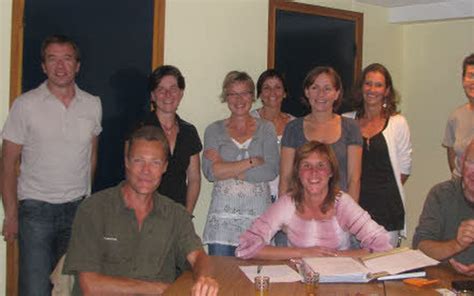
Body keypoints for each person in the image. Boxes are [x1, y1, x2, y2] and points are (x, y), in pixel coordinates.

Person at [1, 34, 102, 296]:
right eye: (52, 59)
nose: (60, 66)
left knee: (72, 290)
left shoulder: (92, 104)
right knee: (35, 290)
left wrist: (85, 198)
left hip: (78, 212)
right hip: (36, 212)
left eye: (67, 59)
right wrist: (11, 215)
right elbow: (7, 163)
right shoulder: (25, 105)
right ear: (43, 66)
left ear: (77, 65)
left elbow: (91, 157)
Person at [64, 125, 218, 295]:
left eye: (155, 163)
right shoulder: (93, 209)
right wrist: (161, 289)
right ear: (127, 162)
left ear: (165, 167)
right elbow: (90, 286)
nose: (146, 171)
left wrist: (205, 278)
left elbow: (198, 257)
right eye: (139, 161)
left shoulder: (175, 214)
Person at [236, 141, 391, 260]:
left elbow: (382, 245)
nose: (314, 173)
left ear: (331, 171)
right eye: (306, 166)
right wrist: (303, 253)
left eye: (321, 165)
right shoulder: (287, 203)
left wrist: (334, 257)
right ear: (298, 172)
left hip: (340, 281)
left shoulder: (343, 203)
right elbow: (247, 246)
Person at [202, 71, 279, 256]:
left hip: (258, 218)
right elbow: (211, 172)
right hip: (223, 221)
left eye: (244, 93)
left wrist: (226, 167)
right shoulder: (213, 130)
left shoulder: (266, 128)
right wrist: (252, 161)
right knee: (222, 279)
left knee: (256, 278)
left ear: (253, 96)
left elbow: (271, 170)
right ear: (225, 97)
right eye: (232, 94)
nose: (239, 99)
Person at [343, 63, 412, 247]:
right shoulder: (345, 121)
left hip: (386, 211)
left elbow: (404, 169)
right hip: (353, 209)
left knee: (383, 269)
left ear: (387, 90)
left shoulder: (398, 123)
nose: (372, 89)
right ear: (361, 87)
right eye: (368, 83)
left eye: (378, 85)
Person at [279, 66, 362, 202]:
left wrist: (350, 216)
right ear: (307, 92)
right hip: (301, 210)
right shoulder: (293, 128)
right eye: (315, 88)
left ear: (337, 93)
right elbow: (285, 179)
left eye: (327, 88)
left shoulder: (351, 128)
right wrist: (282, 217)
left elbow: (354, 179)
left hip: (339, 210)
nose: (321, 94)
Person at [130, 65, 202, 214]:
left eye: (173, 89)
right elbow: (130, 173)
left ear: (181, 93)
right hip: (143, 211)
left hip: (176, 213)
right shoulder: (139, 128)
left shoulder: (189, 131)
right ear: (153, 96)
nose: (168, 94)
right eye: (161, 89)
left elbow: (194, 178)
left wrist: (186, 215)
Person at [413, 139, 474, 277]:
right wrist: (456, 245)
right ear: (462, 162)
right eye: (471, 162)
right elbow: (420, 247)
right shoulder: (442, 194)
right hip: (442, 281)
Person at [251, 69, 295, 246]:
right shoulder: (249, 121)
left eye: (278, 87)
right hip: (258, 197)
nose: (272, 93)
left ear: (285, 93)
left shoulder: (295, 124)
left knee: (285, 254)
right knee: (257, 252)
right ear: (260, 93)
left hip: (288, 198)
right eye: (266, 88)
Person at [443, 53, 474, 178]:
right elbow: (453, 164)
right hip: (461, 190)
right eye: (470, 76)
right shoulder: (455, 117)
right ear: (463, 80)